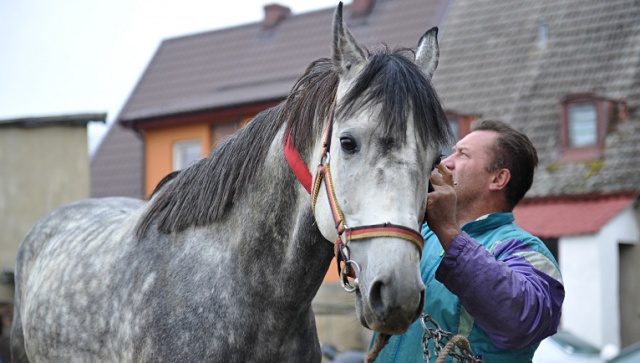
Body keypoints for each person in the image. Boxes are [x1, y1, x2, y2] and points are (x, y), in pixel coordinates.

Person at [372, 119, 565, 362]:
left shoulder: (526, 250)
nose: (445, 163)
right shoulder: (424, 235)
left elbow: (522, 321)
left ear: (498, 179)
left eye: (462, 155)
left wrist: (449, 232)